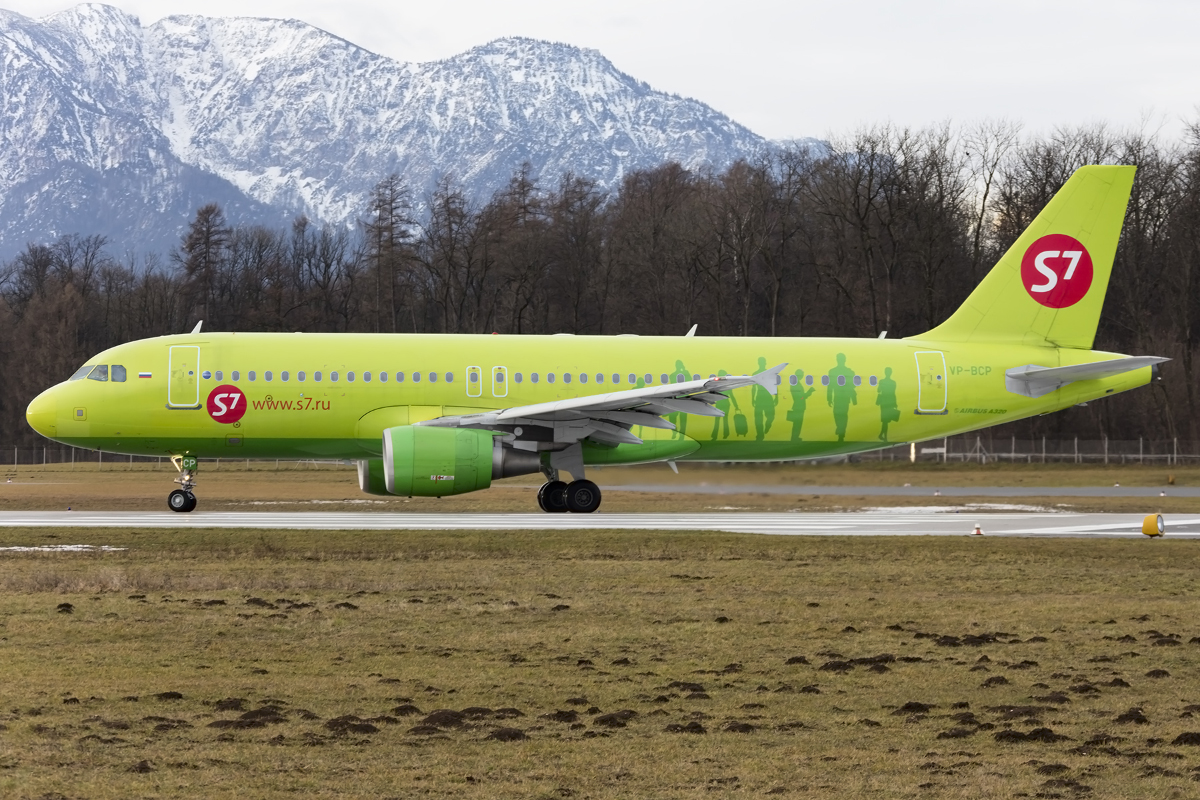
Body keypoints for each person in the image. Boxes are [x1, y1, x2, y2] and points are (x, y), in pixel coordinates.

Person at [826, 353, 857, 443]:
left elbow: (852, 385)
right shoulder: (833, 371)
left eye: (841, 359)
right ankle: (840, 428)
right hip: (837, 396)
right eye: (839, 358)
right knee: (837, 414)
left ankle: (841, 431)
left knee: (843, 414)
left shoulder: (848, 371)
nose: (840, 360)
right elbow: (830, 386)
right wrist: (829, 398)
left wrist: (853, 398)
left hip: (844, 397)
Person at [752, 356, 779, 442]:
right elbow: (753, 388)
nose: (762, 363)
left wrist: (776, 397)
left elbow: (776, 385)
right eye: (761, 362)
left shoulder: (769, 373)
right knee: (758, 418)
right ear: (759, 363)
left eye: (763, 362)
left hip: (768, 397)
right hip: (759, 398)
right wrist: (753, 399)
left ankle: (768, 425)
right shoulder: (756, 373)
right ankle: (760, 435)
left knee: (771, 417)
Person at [710, 369, 742, 439]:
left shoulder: (715, 386)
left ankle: (715, 435)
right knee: (725, 420)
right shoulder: (726, 386)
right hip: (726, 404)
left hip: (719, 404)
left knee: (717, 421)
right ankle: (725, 434)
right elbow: (732, 397)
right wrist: (736, 406)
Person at [787, 369, 815, 442]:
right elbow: (801, 397)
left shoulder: (796, 384)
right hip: (798, 406)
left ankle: (795, 437)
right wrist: (809, 392)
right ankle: (794, 438)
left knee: (797, 423)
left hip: (798, 405)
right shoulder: (796, 385)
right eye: (801, 374)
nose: (802, 376)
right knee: (797, 423)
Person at [876, 366, 899, 441]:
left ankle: (883, 436)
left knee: (885, 421)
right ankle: (883, 436)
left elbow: (878, 390)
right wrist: (895, 403)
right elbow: (893, 393)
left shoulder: (882, 381)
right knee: (885, 421)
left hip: (884, 402)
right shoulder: (893, 382)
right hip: (890, 401)